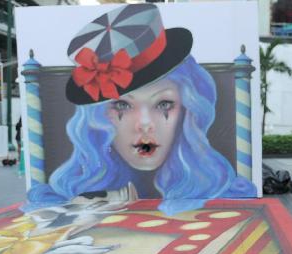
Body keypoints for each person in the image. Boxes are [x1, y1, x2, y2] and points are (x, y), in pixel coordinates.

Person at [24, 3, 255, 216]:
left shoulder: (229, 191)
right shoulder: (63, 194)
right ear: (98, 118)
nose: (144, 123)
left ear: (187, 109)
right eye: (122, 105)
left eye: (164, 104)